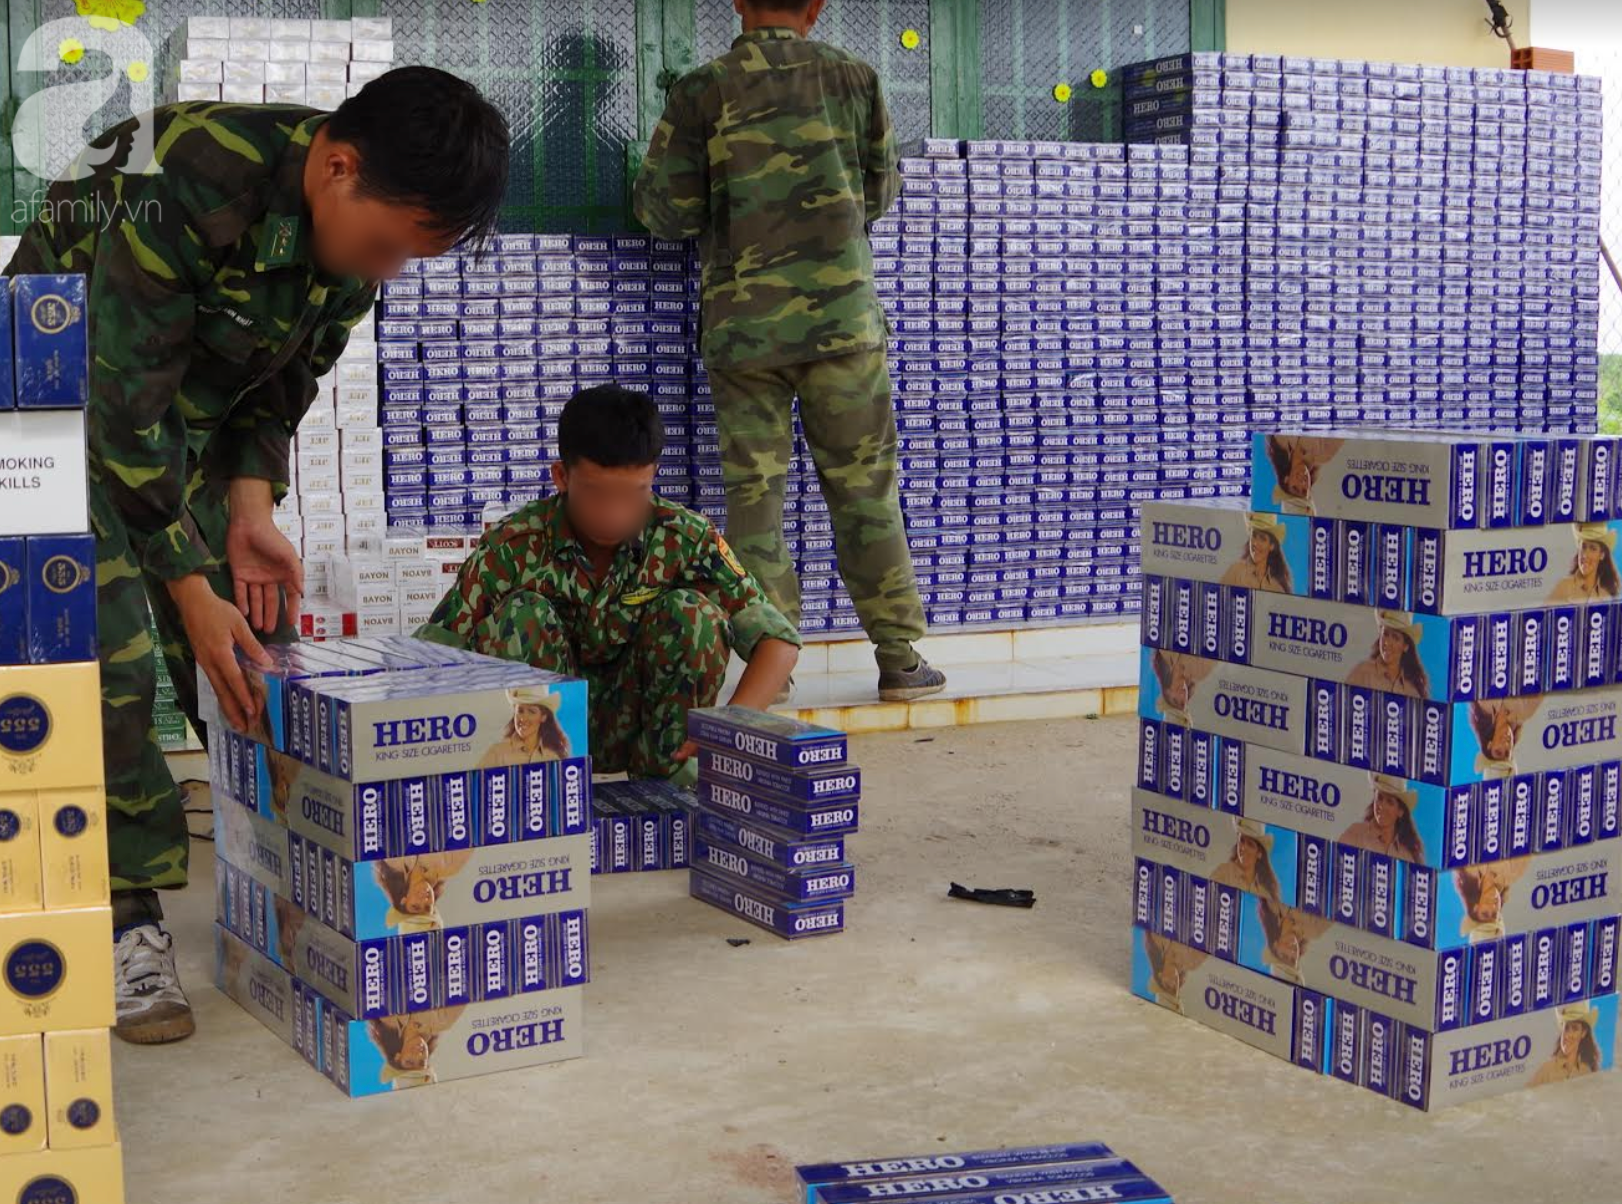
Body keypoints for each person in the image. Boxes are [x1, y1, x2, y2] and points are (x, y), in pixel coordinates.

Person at [4, 68, 512, 1045]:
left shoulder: (354, 248)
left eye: (409, 258)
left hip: (167, 416)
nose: (386, 272)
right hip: (47, 403)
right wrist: (185, 586)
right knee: (109, 662)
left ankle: (282, 885)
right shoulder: (187, 176)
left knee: (256, 646)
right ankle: (125, 922)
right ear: (336, 164)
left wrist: (248, 505)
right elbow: (118, 408)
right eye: (384, 246)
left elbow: (280, 382)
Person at [632, 0, 946, 704]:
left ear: (738, 3)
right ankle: (898, 658)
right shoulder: (856, 78)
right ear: (818, 7)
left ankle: (770, 668)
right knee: (866, 492)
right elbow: (881, 189)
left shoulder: (701, 89)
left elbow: (665, 213)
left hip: (746, 333)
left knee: (755, 505)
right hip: (843, 327)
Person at [416, 385, 801, 784]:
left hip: (651, 732)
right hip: (538, 738)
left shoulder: (683, 537)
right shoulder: (513, 544)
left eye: (633, 494)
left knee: (694, 616)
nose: (614, 514)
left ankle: (669, 791)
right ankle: (535, 791)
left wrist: (731, 728)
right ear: (562, 477)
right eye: (597, 494)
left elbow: (778, 644)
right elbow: (433, 656)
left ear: (653, 476)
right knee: (520, 616)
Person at [1339, 774, 1427, 863]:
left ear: (1400, 812)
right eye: (1380, 798)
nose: (1382, 806)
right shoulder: (1356, 834)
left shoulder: (1407, 856)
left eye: (1390, 802)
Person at [1345, 610, 1430, 699]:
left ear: (1405, 646)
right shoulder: (1363, 673)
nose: (1387, 642)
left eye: (1395, 638)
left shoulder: (1412, 691)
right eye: (1385, 634)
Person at [1530, 1004, 1604, 1087]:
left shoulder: (1587, 1070)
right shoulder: (1546, 1070)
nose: (1568, 1035)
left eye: (1575, 1028)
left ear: (1583, 1033)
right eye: (1566, 1028)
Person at [1219, 513, 1293, 593]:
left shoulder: (1277, 588)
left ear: (1272, 546)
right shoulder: (1236, 571)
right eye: (1254, 535)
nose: (1255, 543)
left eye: (1262, 538)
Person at [1210, 818, 1283, 899]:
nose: (1244, 848)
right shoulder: (1224, 873)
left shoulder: (1264, 891)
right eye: (1242, 840)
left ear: (1259, 853)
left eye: (1250, 844)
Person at [1547, 523, 1621, 603]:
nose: (1585, 555)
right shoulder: (1564, 587)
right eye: (1583, 547)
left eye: (1593, 548)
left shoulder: (1608, 594)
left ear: (1602, 555)